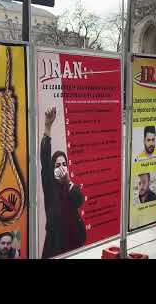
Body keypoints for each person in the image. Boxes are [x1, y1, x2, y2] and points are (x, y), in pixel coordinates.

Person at [41, 106, 86, 259]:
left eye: (64, 164)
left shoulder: (71, 186)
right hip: (55, 245)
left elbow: (79, 200)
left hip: (74, 241)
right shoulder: (49, 185)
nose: (61, 168)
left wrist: (67, 182)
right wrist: (48, 126)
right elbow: (45, 158)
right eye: (57, 165)